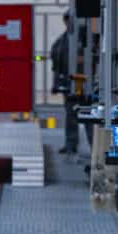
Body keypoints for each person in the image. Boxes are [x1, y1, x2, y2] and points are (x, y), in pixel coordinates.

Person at [50, 13, 78, 155]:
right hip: (69, 84)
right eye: (67, 21)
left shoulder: (84, 39)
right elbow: (56, 65)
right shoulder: (62, 41)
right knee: (70, 115)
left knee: (89, 120)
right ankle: (70, 144)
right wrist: (56, 83)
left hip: (84, 84)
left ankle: (95, 148)